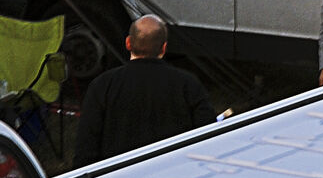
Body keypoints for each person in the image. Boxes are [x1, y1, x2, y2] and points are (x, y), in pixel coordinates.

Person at [70, 15, 216, 165]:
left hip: (118, 175)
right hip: (175, 171)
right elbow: (208, 139)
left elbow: (86, 147)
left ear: (128, 43)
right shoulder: (187, 84)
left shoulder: (102, 86)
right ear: (164, 48)